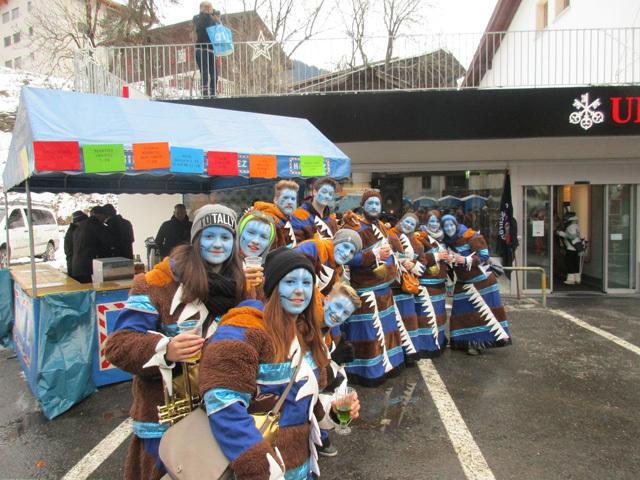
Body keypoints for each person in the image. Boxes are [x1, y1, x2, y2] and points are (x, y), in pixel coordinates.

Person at [105, 204, 246, 480]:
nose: (217, 244)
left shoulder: (242, 285)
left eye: (225, 237)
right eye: (209, 236)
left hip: (222, 417)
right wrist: (165, 349)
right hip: (165, 424)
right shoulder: (156, 283)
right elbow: (118, 345)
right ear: (195, 240)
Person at [198, 247, 360, 479]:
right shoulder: (244, 328)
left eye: (306, 283)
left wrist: (334, 411)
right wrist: (261, 466)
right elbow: (222, 404)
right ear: (273, 286)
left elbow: (305, 405)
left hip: (300, 468)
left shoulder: (307, 333)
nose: (299, 290)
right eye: (290, 281)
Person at [341, 190, 406, 386]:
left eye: (377, 203)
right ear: (363, 206)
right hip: (366, 293)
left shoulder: (381, 226)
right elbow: (345, 256)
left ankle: (387, 367)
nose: (374, 207)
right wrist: (374, 255)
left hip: (385, 290)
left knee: (387, 333)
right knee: (369, 335)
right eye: (370, 203)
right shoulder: (353, 227)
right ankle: (367, 372)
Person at [441, 214, 511, 355]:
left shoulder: (472, 236)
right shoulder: (446, 242)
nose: (449, 228)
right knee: (462, 313)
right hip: (463, 282)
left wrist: (466, 260)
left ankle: (478, 343)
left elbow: (484, 255)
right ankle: (463, 341)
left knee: (481, 314)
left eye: (451, 225)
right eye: (446, 226)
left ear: (456, 224)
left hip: (482, 282)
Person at [413, 209, 450, 357]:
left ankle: (437, 343)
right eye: (431, 221)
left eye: (437, 221)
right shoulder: (419, 236)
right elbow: (416, 257)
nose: (434, 224)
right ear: (426, 222)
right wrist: (436, 256)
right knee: (425, 317)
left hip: (440, 285)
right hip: (425, 285)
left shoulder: (443, 238)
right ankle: (424, 347)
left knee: (438, 316)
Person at [295, 226, 363, 296]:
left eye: (352, 252)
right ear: (335, 242)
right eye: (345, 246)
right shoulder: (312, 248)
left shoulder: (338, 271)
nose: (346, 253)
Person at [70, 206, 116, 283]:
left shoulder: (80, 227)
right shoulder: (97, 227)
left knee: (83, 289)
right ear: (100, 215)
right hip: (89, 268)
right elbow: (110, 242)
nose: (104, 220)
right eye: (104, 217)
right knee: (91, 289)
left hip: (77, 267)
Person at [253, 180, 300, 248]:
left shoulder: (285, 220)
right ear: (275, 200)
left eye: (293, 199)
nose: (290, 202)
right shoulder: (271, 221)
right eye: (285, 198)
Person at [291, 177, 339, 243]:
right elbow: (295, 244)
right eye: (324, 192)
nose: (327, 196)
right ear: (314, 192)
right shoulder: (299, 214)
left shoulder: (331, 217)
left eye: (330, 194)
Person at [193, 1, 218, 97]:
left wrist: (213, 16)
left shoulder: (213, 19)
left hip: (210, 48)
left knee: (213, 71)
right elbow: (202, 26)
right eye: (210, 8)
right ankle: (205, 91)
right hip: (201, 48)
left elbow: (218, 28)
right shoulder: (198, 18)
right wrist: (207, 14)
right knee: (204, 70)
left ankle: (213, 91)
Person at [556, 212, 583, 285]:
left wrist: (561, 233)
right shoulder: (576, 226)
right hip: (575, 248)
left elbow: (572, 237)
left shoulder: (571, 227)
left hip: (571, 248)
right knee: (575, 263)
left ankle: (571, 279)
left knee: (569, 263)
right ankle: (577, 278)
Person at [64, 210, 88, 276]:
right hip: (74, 265)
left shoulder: (74, 230)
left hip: (74, 264)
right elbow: (69, 251)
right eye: (85, 221)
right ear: (80, 221)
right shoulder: (75, 232)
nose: (86, 223)